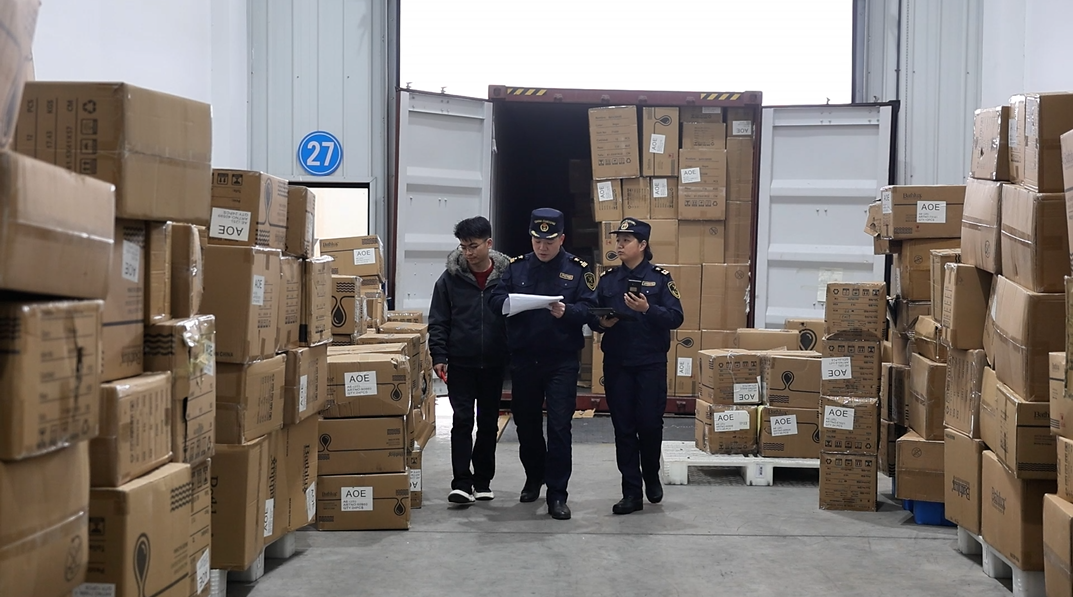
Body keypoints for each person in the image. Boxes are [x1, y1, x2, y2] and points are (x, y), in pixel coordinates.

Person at [488, 207, 597, 520]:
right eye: (537, 240)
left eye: (549, 241)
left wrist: (569, 312)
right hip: (525, 359)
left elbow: (591, 309)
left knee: (560, 426)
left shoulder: (578, 269)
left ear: (561, 239)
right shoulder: (516, 268)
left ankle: (558, 494)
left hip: (561, 360)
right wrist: (508, 303)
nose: (543, 246)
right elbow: (494, 299)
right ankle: (534, 476)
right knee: (527, 424)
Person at [590, 218, 684, 515]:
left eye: (626, 240)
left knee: (649, 423)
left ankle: (651, 474)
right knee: (624, 427)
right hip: (618, 363)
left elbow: (676, 317)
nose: (619, 245)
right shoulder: (608, 279)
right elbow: (592, 314)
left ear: (642, 245)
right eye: (617, 240)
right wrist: (602, 323)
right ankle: (631, 491)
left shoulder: (660, 278)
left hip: (650, 363)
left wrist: (647, 309)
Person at [429, 216, 511, 505]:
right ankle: (462, 483)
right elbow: (439, 320)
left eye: (473, 246)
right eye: (463, 247)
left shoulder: (507, 278)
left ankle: (483, 481)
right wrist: (439, 355)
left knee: (488, 423)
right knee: (462, 421)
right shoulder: (449, 279)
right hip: (460, 362)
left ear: (489, 243)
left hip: (494, 362)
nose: (468, 252)